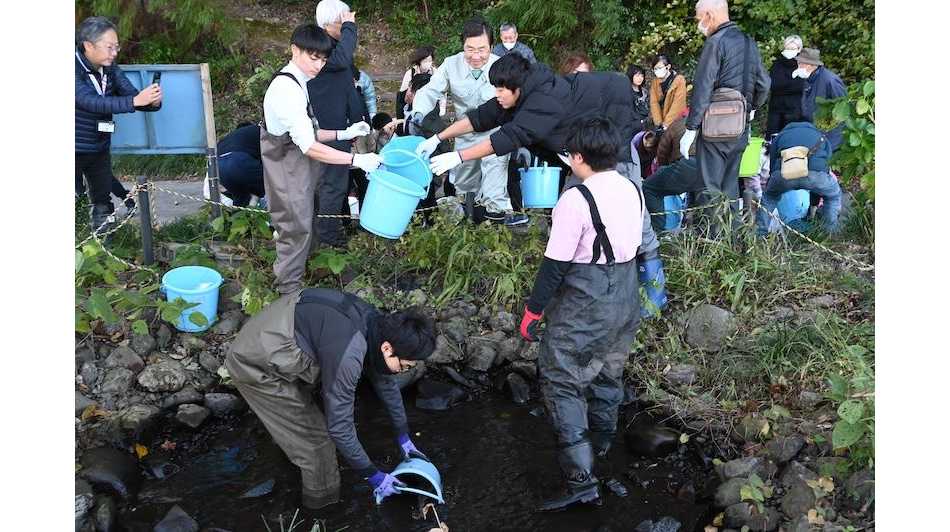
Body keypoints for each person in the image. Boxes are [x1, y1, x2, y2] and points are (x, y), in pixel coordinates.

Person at [419, 52, 669, 315]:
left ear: (518, 88)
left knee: (632, 214)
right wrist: (438, 138)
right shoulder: (519, 95)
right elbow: (482, 117)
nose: (498, 95)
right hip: (580, 154)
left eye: (501, 89)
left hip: (612, 140)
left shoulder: (543, 100)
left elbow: (509, 137)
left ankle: (653, 294)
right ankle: (577, 289)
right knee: (572, 216)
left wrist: (458, 156)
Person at [518, 117, 642, 511]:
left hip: (588, 297)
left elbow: (555, 264)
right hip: (626, 291)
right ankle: (602, 443)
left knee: (561, 377)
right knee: (608, 368)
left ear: (578, 157)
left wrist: (533, 311)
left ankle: (580, 481)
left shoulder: (576, 198)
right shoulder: (630, 187)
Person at [225, 287, 437, 510]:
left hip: (281, 339)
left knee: (311, 418)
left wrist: (403, 436)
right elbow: (340, 429)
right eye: (404, 365)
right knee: (318, 444)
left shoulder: (379, 326)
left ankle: (286, 448)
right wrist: (374, 476)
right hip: (254, 364)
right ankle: (321, 508)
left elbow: (384, 380)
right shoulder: (349, 352)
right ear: (387, 348)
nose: (403, 371)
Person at [261, 23, 378, 295]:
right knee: (295, 233)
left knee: (307, 228)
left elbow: (308, 130)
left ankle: (303, 286)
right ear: (294, 50)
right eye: (313, 57)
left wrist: (344, 131)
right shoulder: (287, 89)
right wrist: (357, 161)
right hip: (287, 177)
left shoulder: (300, 82)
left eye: (323, 59)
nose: (318, 65)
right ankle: (287, 301)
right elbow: (309, 145)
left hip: (300, 176)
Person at [408, 17, 520, 225]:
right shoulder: (451, 64)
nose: (476, 56)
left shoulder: (502, 66)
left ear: (491, 46)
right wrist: (418, 113)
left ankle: (495, 238)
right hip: (464, 133)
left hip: (495, 135)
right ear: (462, 45)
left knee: (494, 189)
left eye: (482, 49)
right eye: (470, 49)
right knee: (465, 189)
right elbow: (430, 92)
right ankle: (469, 235)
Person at [680, 0, 770, 229]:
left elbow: (703, 87)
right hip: (740, 127)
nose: (699, 23)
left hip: (714, 127)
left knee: (709, 187)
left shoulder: (715, 42)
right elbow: (764, 84)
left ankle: (711, 244)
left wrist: (691, 128)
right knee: (730, 186)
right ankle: (731, 242)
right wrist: (750, 109)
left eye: (699, 17)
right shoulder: (749, 42)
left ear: (709, 15)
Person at [75, 16, 162, 235]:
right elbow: (89, 101)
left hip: (99, 146)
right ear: (88, 45)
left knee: (102, 200)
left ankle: (106, 249)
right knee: (74, 200)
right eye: (109, 47)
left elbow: (133, 96)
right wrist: (136, 101)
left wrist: (152, 102)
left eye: (117, 47)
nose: (114, 53)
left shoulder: (111, 69)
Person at [310, 0, 367, 247]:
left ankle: (329, 233)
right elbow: (343, 58)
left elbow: (347, 85)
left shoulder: (332, 48)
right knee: (331, 185)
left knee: (336, 184)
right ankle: (329, 241)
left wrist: (356, 122)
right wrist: (350, 26)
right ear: (327, 24)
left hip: (340, 129)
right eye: (340, 23)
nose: (345, 28)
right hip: (328, 131)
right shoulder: (320, 50)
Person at [755, 120, 841, 235]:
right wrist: (814, 202)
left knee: (769, 198)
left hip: (784, 176)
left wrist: (773, 185)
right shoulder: (820, 136)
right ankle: (829, 235)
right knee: (833, 196)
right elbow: (826, 165)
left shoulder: (780, 137)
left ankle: (760, 235)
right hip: (815, 176)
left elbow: (773, 165)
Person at [794, 48, 847, 152]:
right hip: (813, 132)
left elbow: (843, 112)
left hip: (829, 137)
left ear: (811, 65)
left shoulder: (830, 81)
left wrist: (830, 144)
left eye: (800, 63)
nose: (798, 66)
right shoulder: (808, 78)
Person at [215, 122, 266, 208]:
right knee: (270, 188)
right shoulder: (258, 131)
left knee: (241, 198)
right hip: (239, 161)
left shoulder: (227, 138)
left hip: (219, 168)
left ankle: (239, 218)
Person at [766, 35, 806, 138]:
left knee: (792, 139)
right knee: (772, 140)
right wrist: (792, 83)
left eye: (793, 49)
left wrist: (784, 86)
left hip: (795, 110)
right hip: (776, 110)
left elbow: (802, 86)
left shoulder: (803, 65)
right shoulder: (777, 64)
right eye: (788, 48)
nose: (790, 51)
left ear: (799, 49)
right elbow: (773, 85)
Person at [396, 45, 438, 120]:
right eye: (425, 61)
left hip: (430, 108)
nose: (428, 63)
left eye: (430, 61)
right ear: (419, 61)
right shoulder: (410, 73)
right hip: (412, 107)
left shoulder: (435, 73)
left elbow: (441, 92)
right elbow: (402, 96)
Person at [648, 55, 687, 131]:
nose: (657, 71)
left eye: (659, 68)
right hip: (662, 121)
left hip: (677, 121)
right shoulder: (655, 82)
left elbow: (678, 104)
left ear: (668, 67)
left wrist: (666, 124)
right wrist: (658, 123)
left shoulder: (679, 80)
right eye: (655, 69)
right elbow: (654, 103)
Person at [627, 65, 650, 135]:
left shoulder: (645, 91)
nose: (640, 78)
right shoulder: (626, 91)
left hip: (647, 123)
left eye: (642, 76)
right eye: (637, 76)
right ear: (631, 76)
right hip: (633, 126)